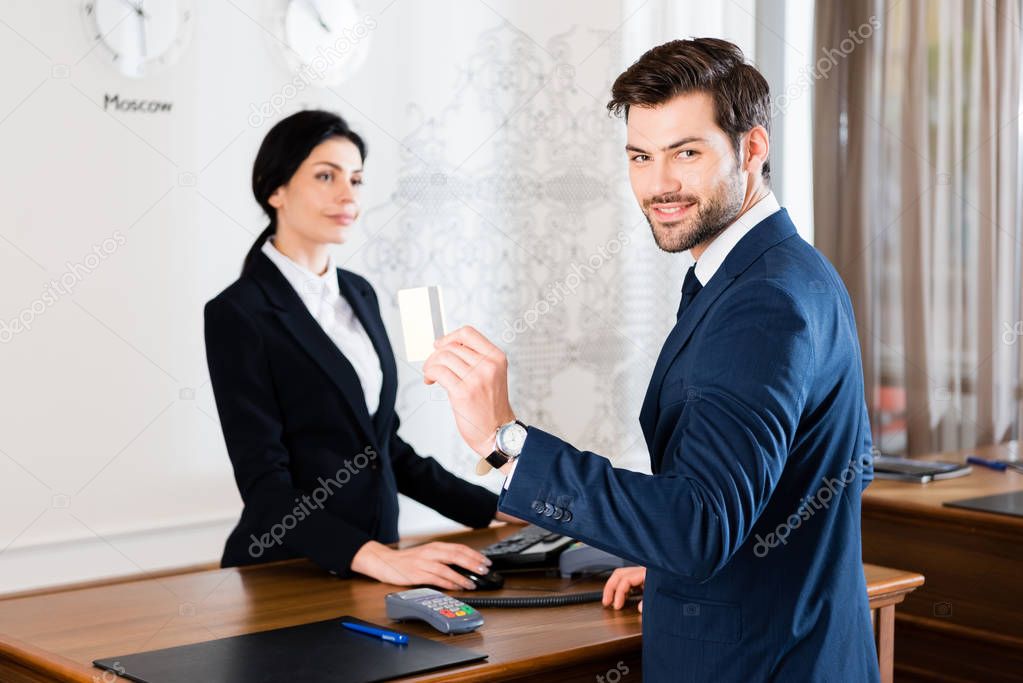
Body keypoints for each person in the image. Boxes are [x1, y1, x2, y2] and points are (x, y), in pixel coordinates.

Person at [423, 39, 879, 681]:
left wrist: (504, 439)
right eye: (641, 157)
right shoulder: (788, 269)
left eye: (686, 153)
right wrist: (664, 556)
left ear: (752, 149)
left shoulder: (763, 301)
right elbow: (806, 475)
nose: (659, 184)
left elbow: (698, 528)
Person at [205, 109, 512, 592]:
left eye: (356, 179)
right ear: (275, 190)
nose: (348, 194)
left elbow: (383, 447)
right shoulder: (238, 312)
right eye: (326, 176)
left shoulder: (359, 293)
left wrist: (495, 509)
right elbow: (266, 489)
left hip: (376, 564)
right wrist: (379, 561)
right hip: (289, 571)